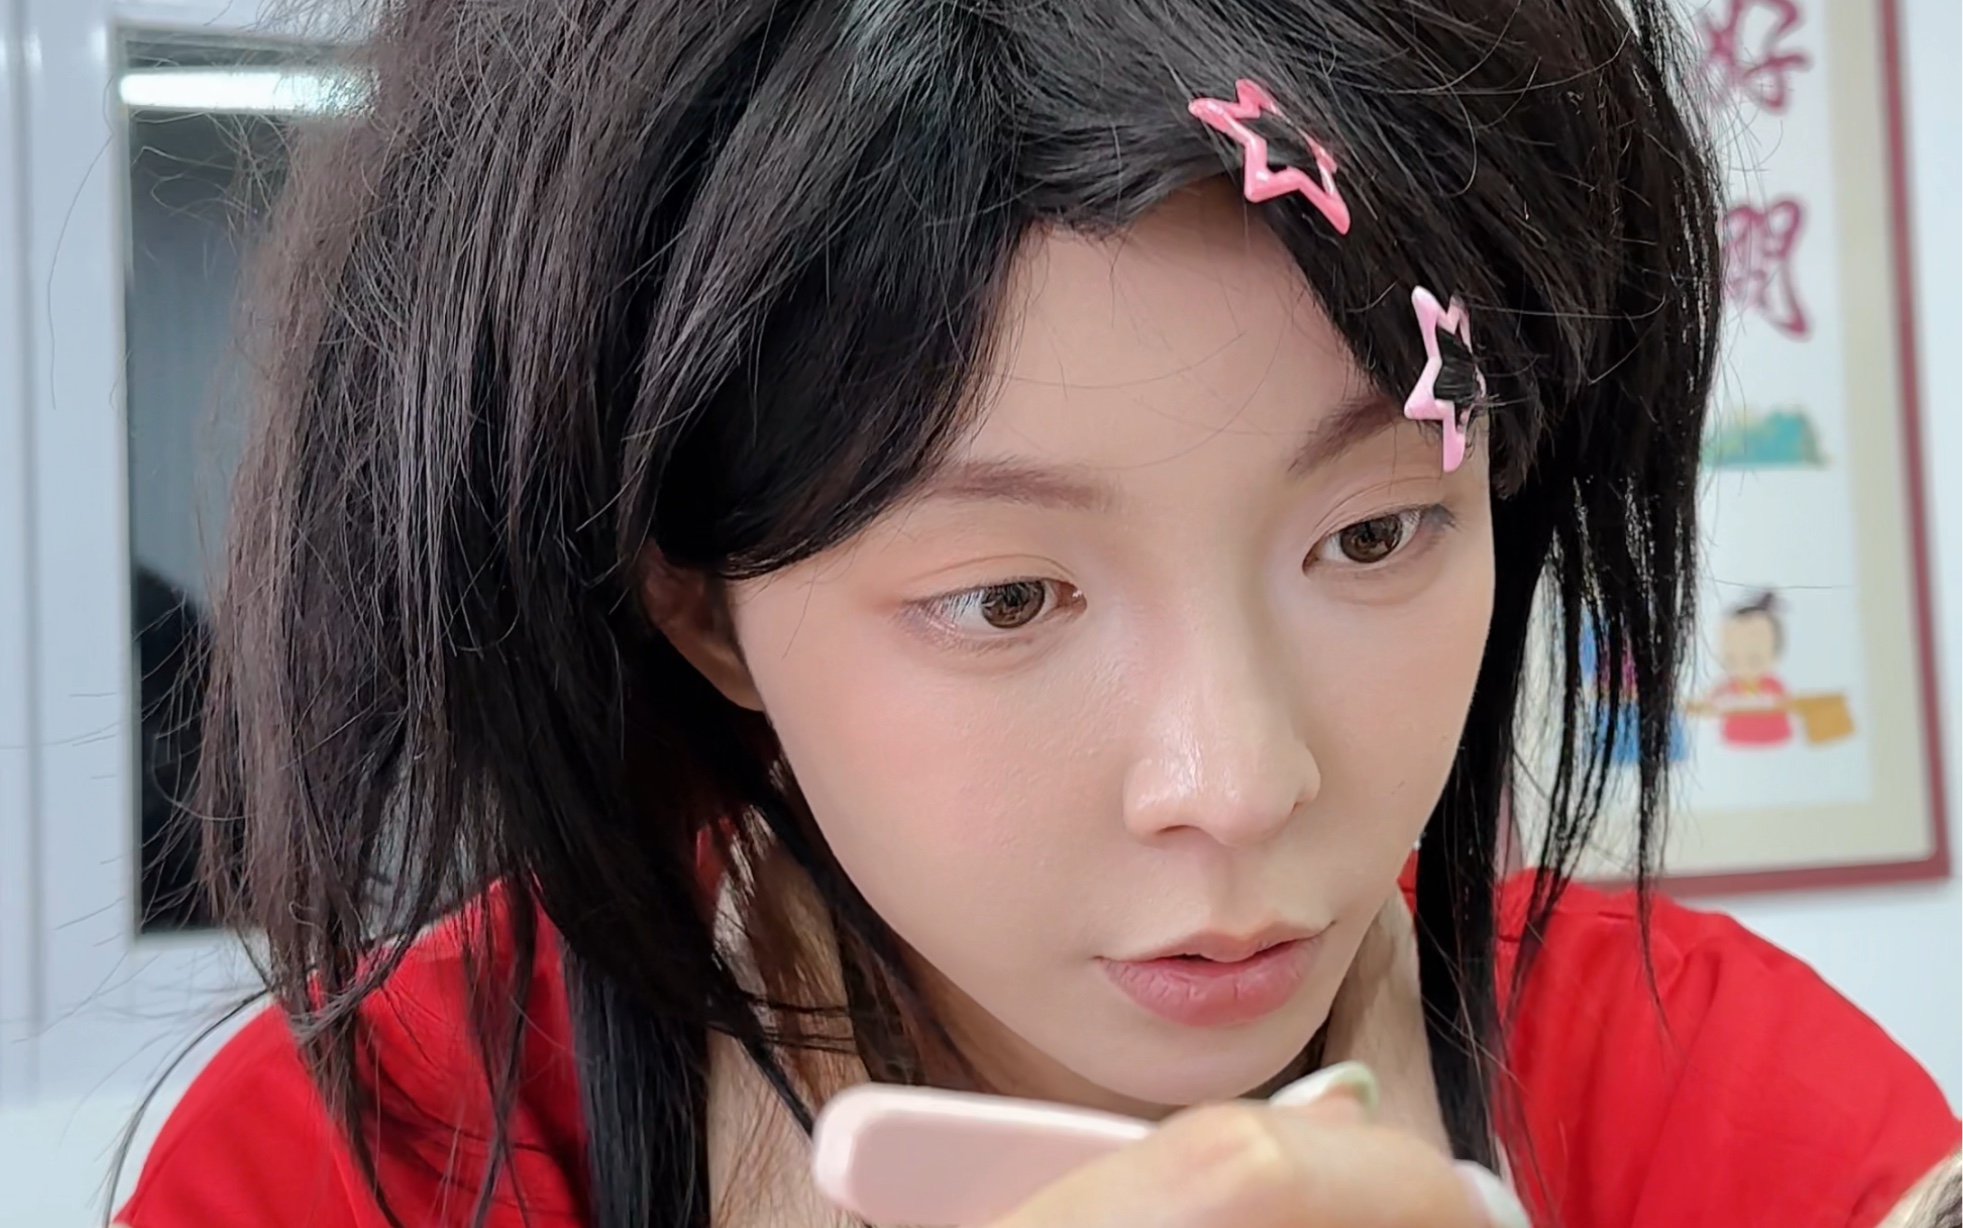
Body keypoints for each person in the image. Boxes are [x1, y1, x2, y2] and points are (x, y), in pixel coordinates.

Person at [115, 1, 1959, 1226]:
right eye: (1007, 595)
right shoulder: (365, 1162)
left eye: (1378, 534)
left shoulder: (1720, 1106)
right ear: (705, 609)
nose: (1237, 784)